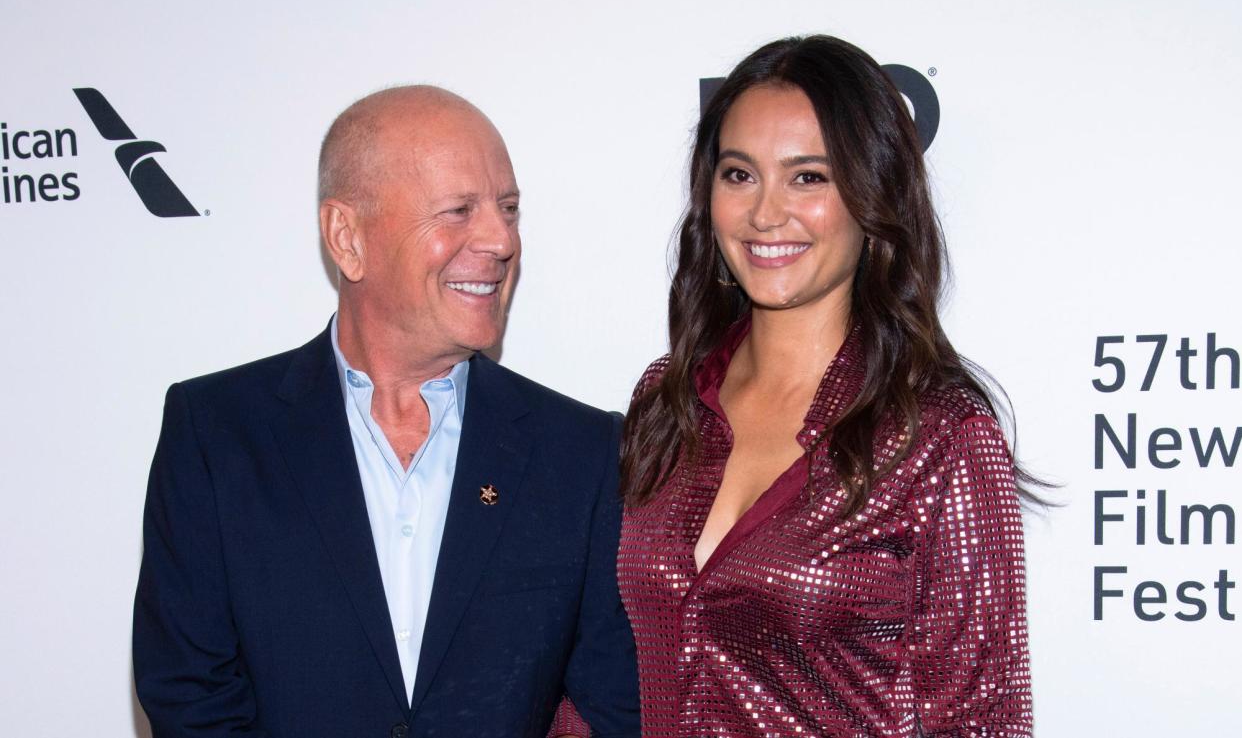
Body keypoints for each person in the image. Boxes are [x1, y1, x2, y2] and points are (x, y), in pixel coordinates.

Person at [133, 86, 639, 738]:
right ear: (348, 237)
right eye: (458, 211)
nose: (500, 239)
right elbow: (190, 698)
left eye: (508, 209)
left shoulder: (582, 452)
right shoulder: (216, 433)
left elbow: (616, 707)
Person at [618, 36, 1034, 737]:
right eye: (739, 174)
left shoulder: (939, 433)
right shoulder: (666, 401)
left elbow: (981, 720)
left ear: (872, 196)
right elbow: (604, 666)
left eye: (808, 177)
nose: (765, 214)